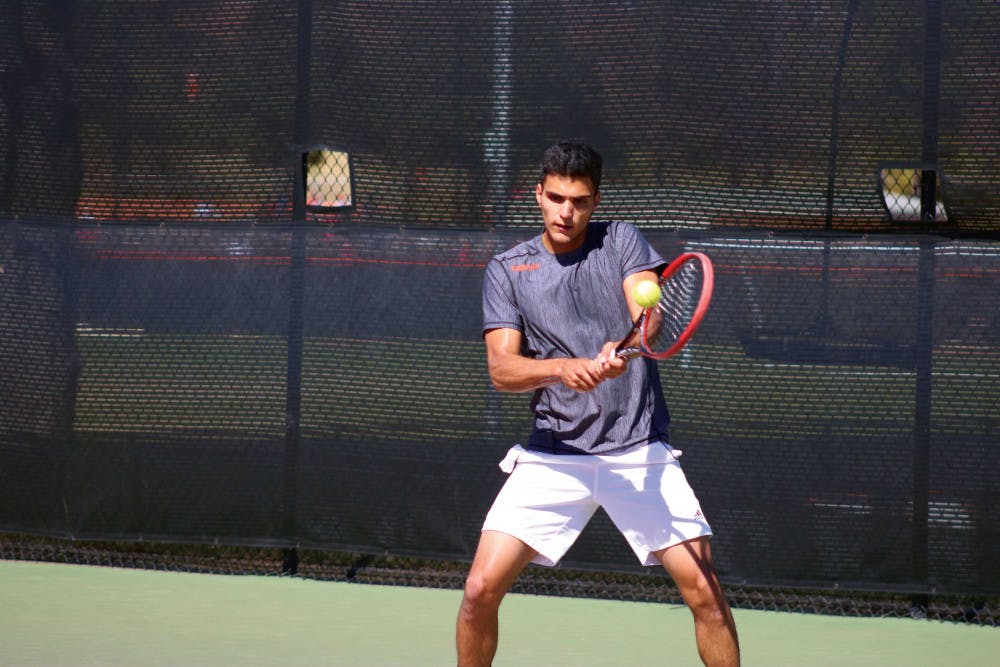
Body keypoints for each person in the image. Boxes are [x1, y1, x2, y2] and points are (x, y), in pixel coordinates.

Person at [456, 141, 740, 666]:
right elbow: (502, 370)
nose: (567, 212)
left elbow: (647, 316)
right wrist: (563, 368)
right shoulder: (507, 269)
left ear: (595, 200)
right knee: (478, 591)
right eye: (557, 198)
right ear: (538, 194)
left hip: (637, 447)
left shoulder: (622, 240)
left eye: (581, 201)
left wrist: (626, 345)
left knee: (706, 594)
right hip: (554, 453)